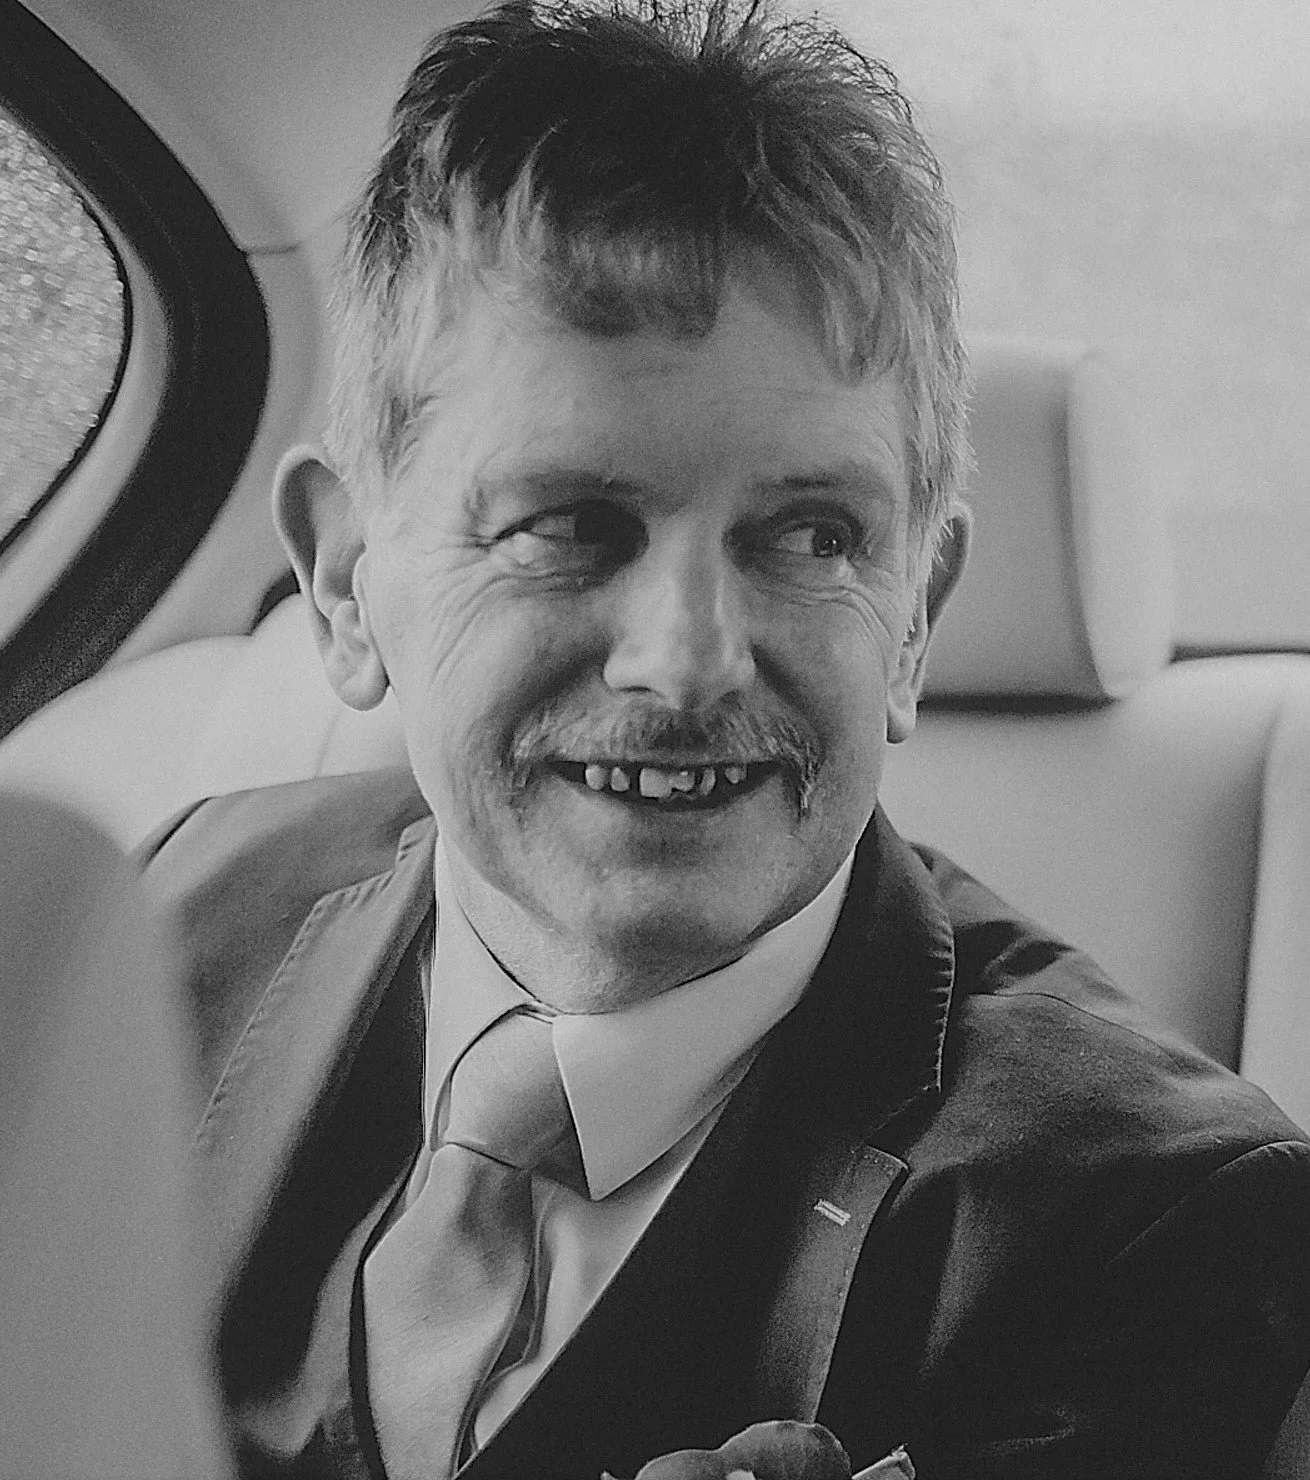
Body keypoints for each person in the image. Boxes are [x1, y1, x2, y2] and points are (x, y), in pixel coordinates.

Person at [141, 2, 1310, 1476]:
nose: (690, 658)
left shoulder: (1155, 1225)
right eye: (570, 523)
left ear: (913, 617)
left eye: (812, 536)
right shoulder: (173, 917)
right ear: (343, 582)